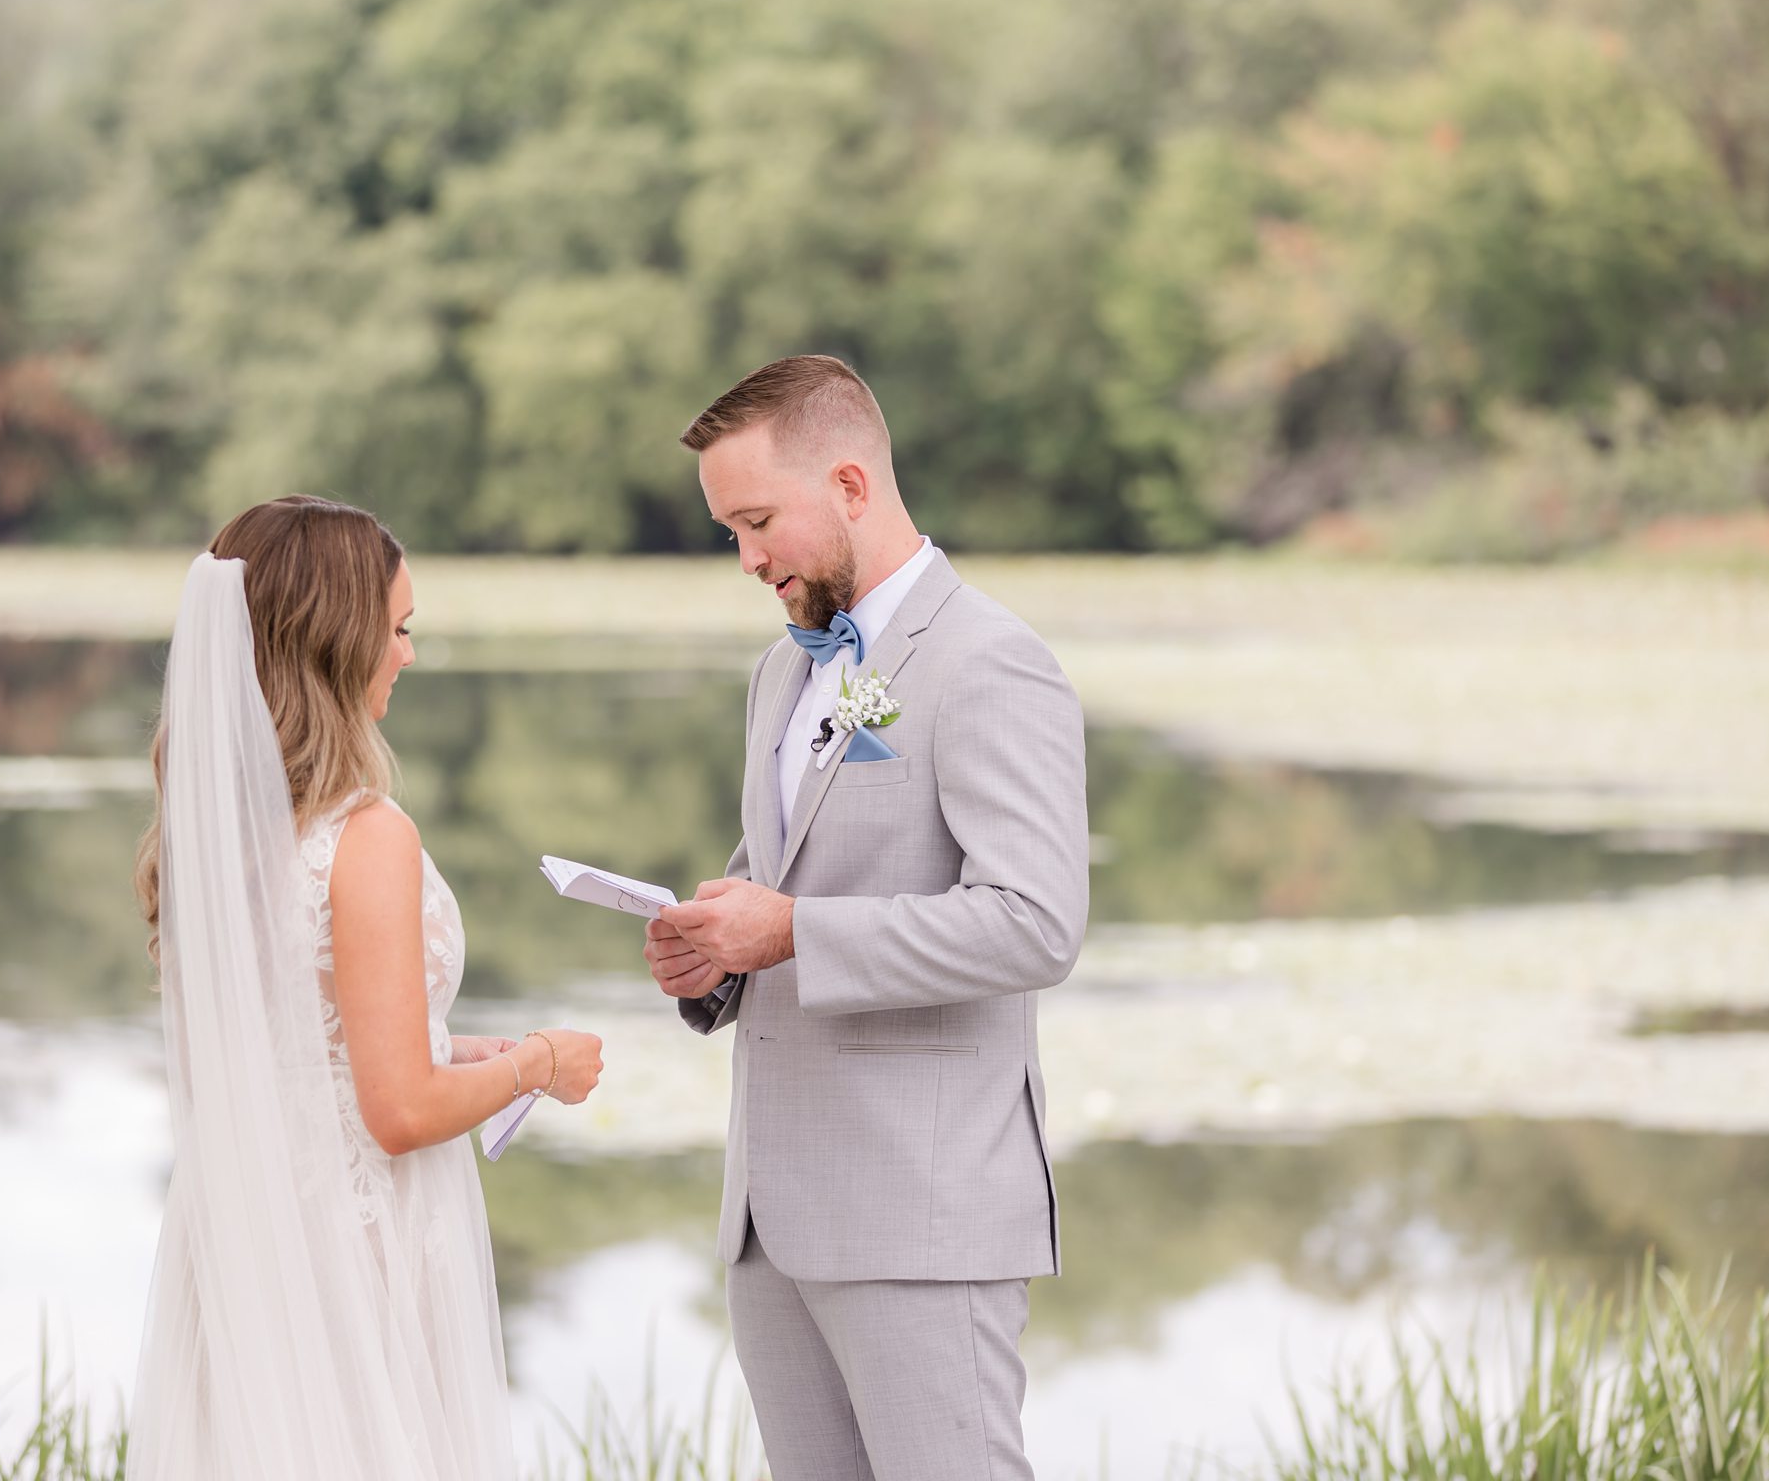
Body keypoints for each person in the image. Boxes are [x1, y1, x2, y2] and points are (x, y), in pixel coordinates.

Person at [643, 357, 1090, 1481]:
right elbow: (777, 878)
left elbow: (1036, 922)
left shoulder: (994, 662)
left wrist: (793, 932)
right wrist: (711, 958)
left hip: (921, 1217)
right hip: (772, 1223)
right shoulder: (777, 676)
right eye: (729, 531)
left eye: (756, 521)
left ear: (849, 482)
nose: (747, 558)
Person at [128, 494, 604, 1481]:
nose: (409, 653)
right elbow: (398, 1109)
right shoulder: (365, 834)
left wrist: (461, 1047)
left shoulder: (224, 839)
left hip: (247, 1235)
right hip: (355, 1249)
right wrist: (539, 1063)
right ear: (337, 642)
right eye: (398, 628)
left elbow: (308, 1040)